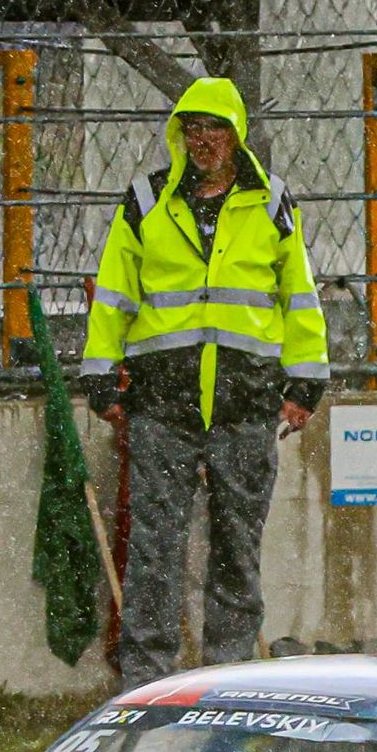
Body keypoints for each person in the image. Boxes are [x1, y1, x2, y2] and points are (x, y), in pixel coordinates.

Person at [79, 79, 324, 685]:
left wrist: (306, 382)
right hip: (164, 402)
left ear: (235, 135)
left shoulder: (271, 204)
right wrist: (99, 373)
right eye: (192, 129)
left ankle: (230, 679)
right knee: (154, 550)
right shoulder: (144, 201)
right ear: (180, 135)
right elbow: (113, 294)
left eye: (214, 128)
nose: (202, 140)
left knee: (237, 548)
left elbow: (299, 295)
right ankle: (148, 683)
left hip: (244, 401)